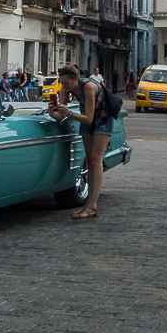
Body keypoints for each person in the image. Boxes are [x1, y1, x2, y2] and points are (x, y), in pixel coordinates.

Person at [48, 63, 112, 219]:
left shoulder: (89, 87)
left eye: (67, 83)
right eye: (62, 83)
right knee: (90, 161)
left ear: (75, 79)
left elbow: (89, 118)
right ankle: (88, 204)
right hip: (86, 121)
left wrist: (69, 113)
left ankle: (92, 206)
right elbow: (60, 115)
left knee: (96, 160)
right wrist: (52, 112)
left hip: (102, 120)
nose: (64, 86)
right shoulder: (65, 88)